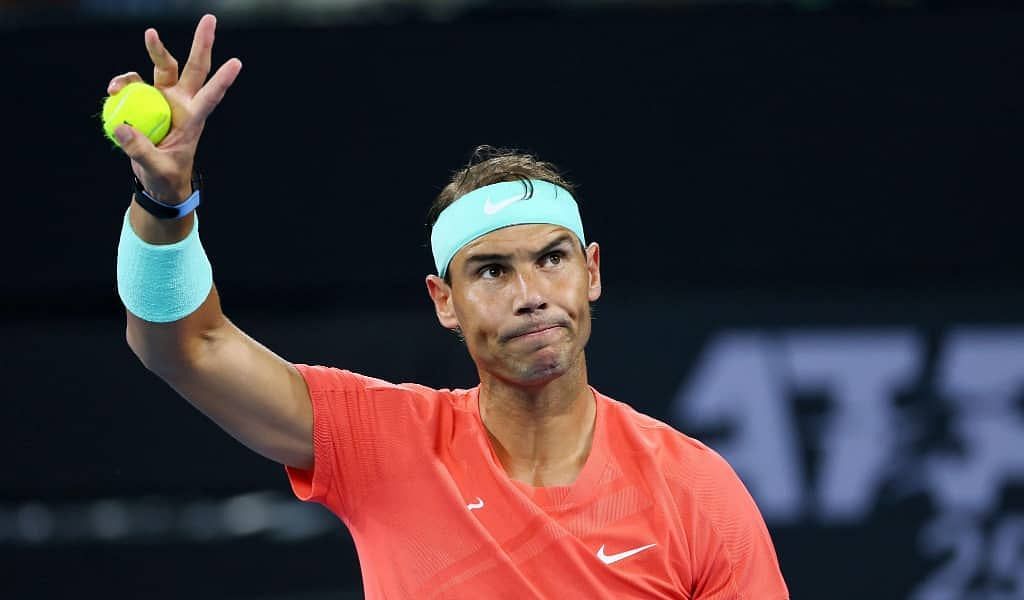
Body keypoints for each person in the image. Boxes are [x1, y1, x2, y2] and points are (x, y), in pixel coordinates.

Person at [113, 14, 789, 599]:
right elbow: (184, 346)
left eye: (552, 259)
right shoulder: (384, 444)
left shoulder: (695, 489)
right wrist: (164, 202)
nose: (530, 296)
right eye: (492, 270)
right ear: (445, 301)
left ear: (592, 272)